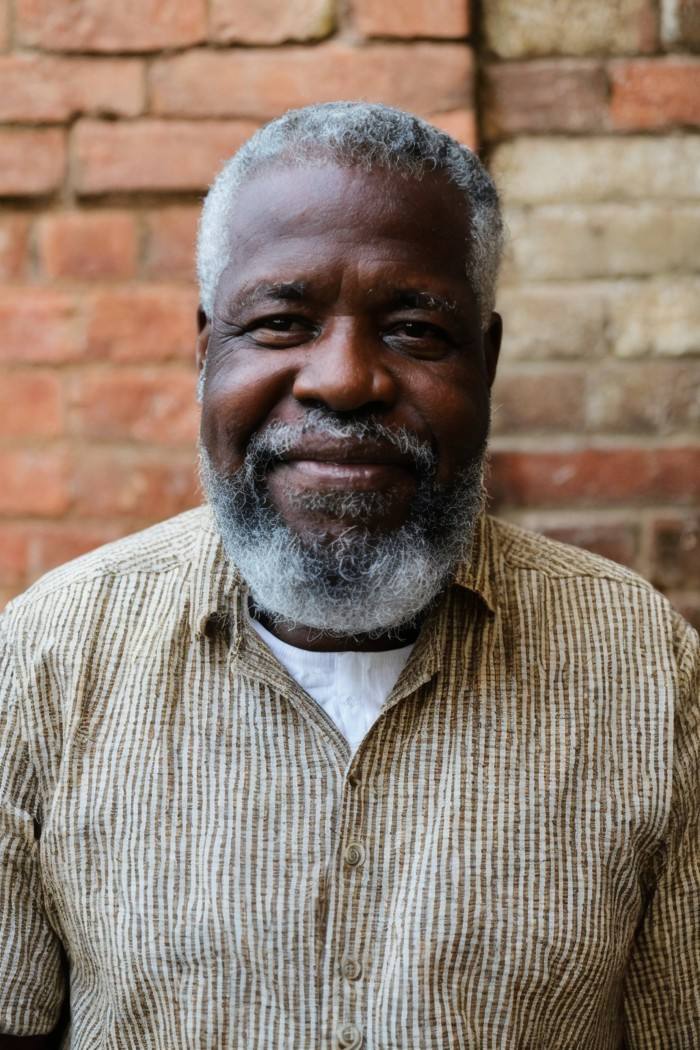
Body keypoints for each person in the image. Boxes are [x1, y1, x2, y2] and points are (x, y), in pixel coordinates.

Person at [0, 102, 697, 1050]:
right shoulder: (46, 663)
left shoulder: (644, 673)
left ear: (485, 365)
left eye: (414, 330)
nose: (343, 379)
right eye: (282, 321)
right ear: (206, 352)